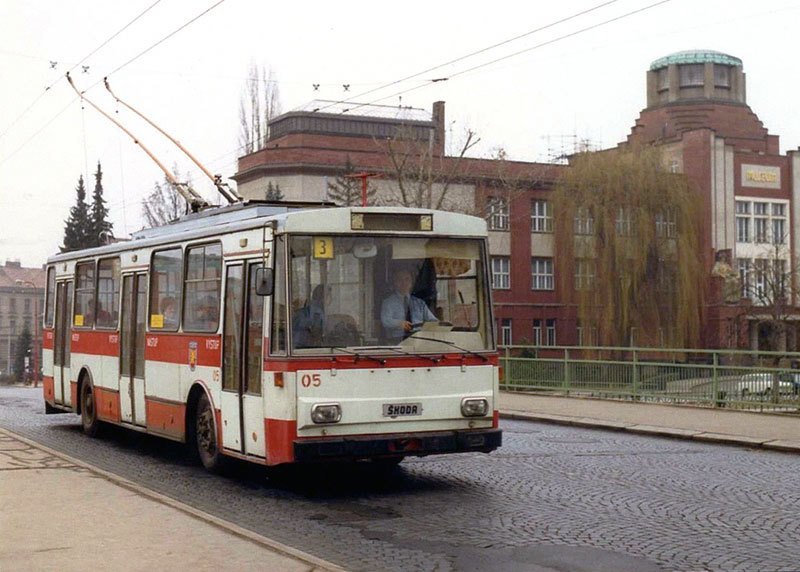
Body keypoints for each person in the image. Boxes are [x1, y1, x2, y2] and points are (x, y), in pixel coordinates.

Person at [381, 268, 437, 342]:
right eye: (399, 280)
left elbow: (433, 320)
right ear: (394, 283)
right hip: (397, 340)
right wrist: (399, 323)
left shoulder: (419, 303)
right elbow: (385, 320)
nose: (404, 283)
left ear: (411, 283)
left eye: (407, 279)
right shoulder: (388, 302)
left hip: (419, 339)